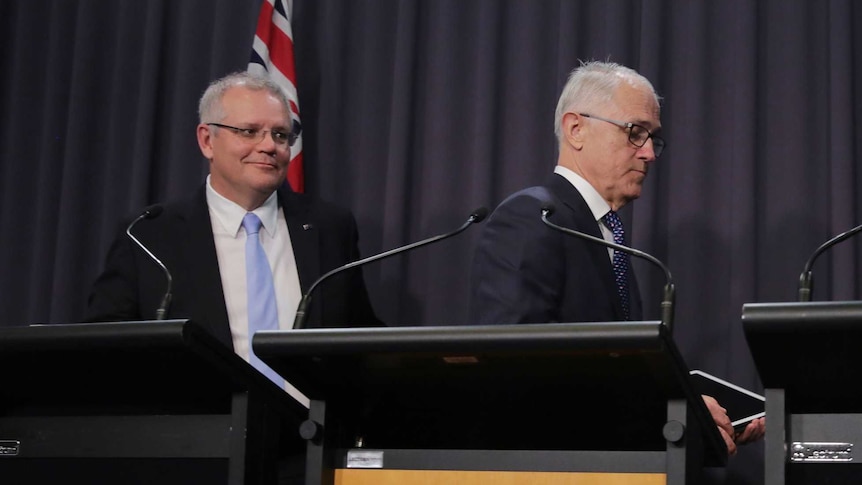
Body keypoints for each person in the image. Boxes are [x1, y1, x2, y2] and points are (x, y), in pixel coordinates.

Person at [469, 61, 764, 455]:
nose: (649, 154)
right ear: (576, 130)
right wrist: (668, 412)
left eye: (652, 138)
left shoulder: (606, 234)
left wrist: (700, 421)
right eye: (634, 132)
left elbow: (619, 374)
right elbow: (517, 367)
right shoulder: (534, 219)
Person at [86, 70, 380, 373]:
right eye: (249, 131)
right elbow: (105, 342)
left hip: (307, 419)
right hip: (200, 418)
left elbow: (359, 337)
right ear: (207, 141)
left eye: (280, 134)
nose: (269, 146)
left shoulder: (330, 227)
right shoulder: (148, 234)